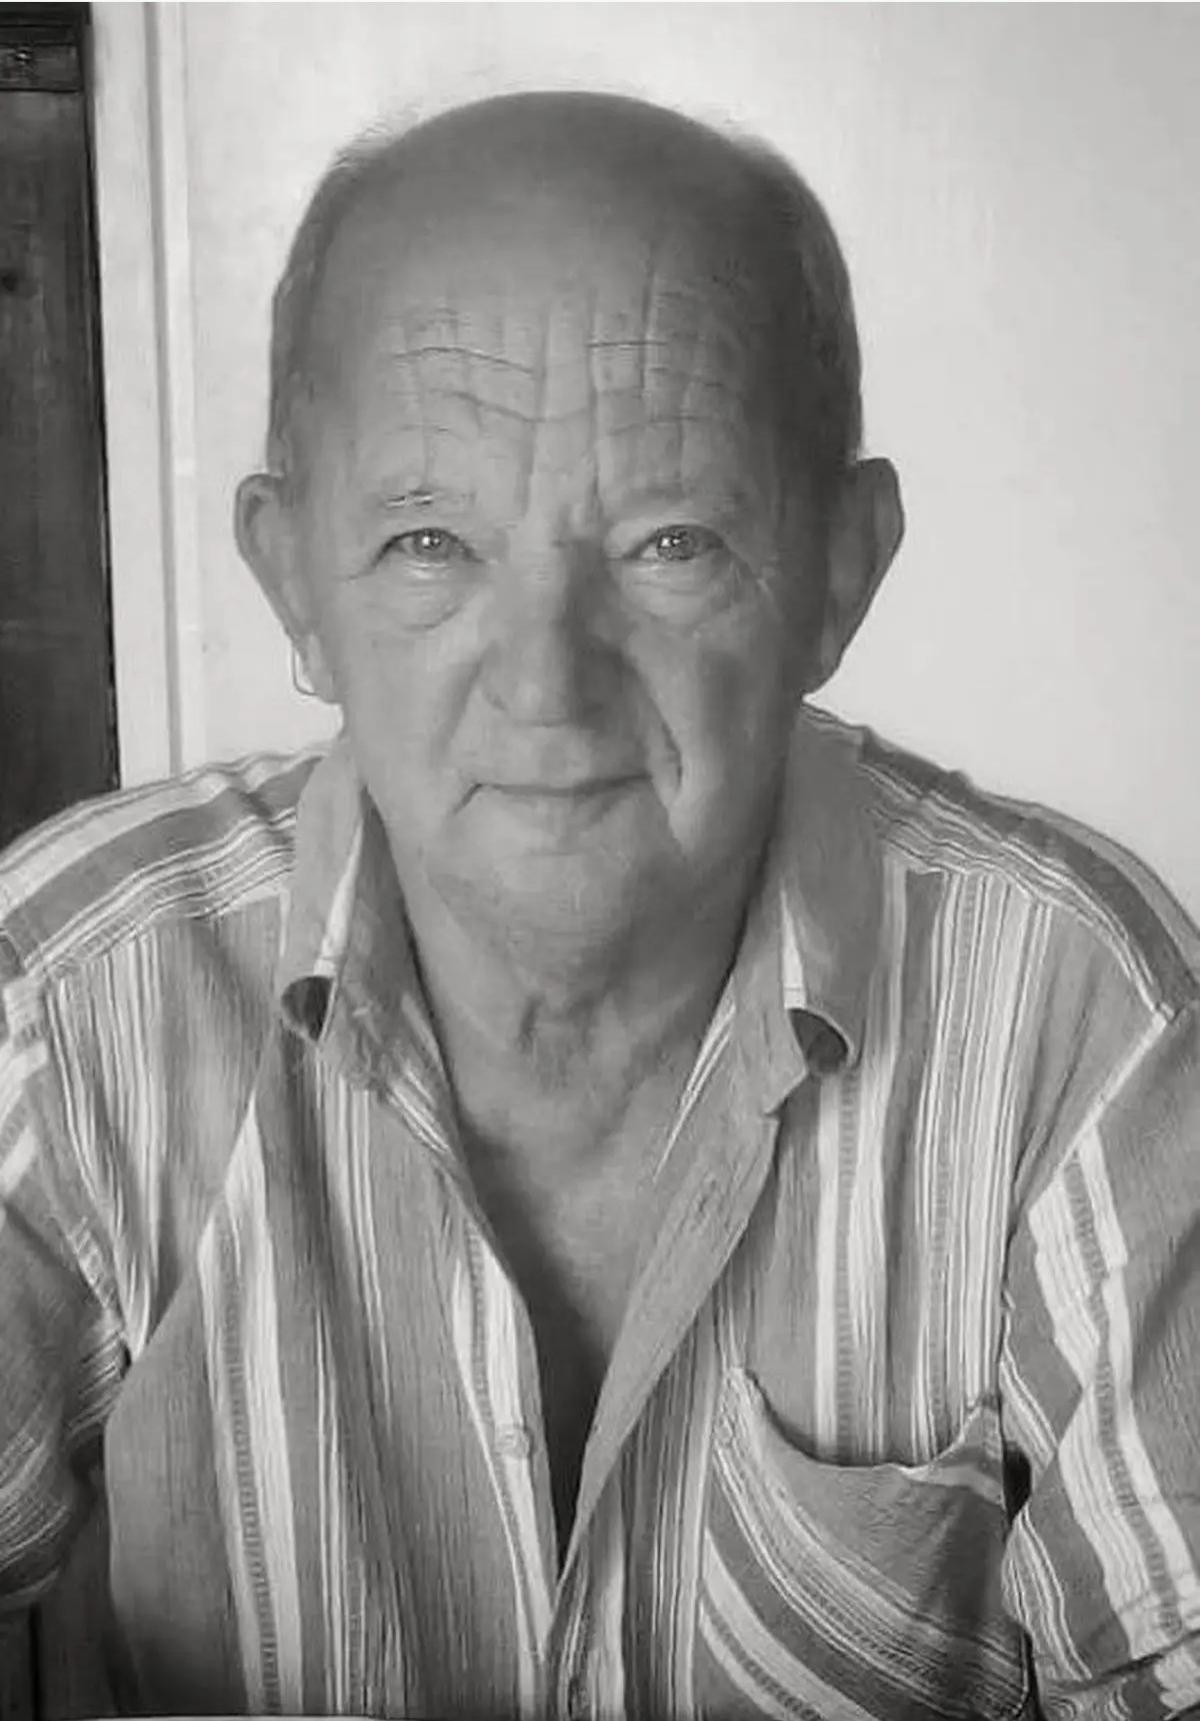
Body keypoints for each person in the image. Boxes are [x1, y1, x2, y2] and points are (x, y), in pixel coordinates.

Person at [0, 88, 1197, 1720]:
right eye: (430, 542)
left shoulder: (1081, 1015)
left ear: (842, 570)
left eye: (671, 541)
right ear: (293, 582)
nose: (547, 686)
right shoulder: (68, 999)